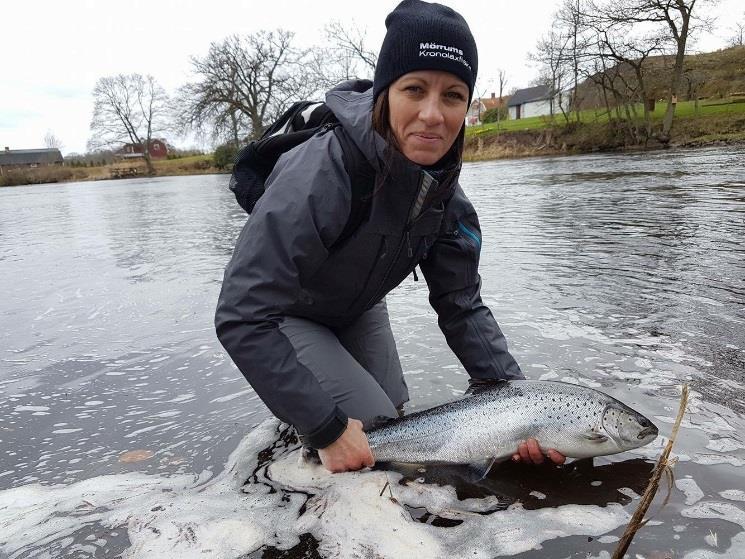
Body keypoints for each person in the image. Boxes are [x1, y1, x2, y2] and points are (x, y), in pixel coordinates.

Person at [215, 0, 565, 473]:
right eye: (414, 89)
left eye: (453, 96)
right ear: (385, 93)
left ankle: (312, 406)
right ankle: (300, 425)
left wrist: (519, 405)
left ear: (467, 107)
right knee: (369, 436)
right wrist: (326, 428)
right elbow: (241, 315)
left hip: (355, 309)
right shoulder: (319, 173)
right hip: (282, 315)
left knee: (395, 417)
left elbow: (461, 304)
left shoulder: (444, 198)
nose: (432, 115)